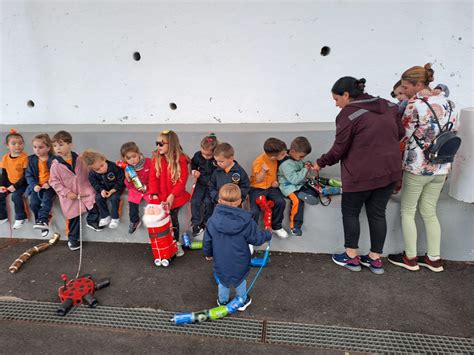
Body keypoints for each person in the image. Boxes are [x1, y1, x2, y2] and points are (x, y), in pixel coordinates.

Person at [314, 77, 404, 274]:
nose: (336, 104)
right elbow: (400, 132)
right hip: (389, 172)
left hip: (360, 174)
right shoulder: (388, 106)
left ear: (347, 95)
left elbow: (339, 149)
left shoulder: (349, 114)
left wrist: (320, 163)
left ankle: (351, 257)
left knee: (351, 212)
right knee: (378, 213)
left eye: (336, 99)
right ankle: (375, 259)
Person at [388, 64, 457, 273]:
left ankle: (410, 258)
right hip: (442, 166)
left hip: (417, 166)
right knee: (429, 211)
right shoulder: (449, 102)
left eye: (406, 87)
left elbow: (404, 134)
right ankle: (434, 259)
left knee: (408, 210)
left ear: (418, 84)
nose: (405, 91)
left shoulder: (414, 104)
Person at [203, 183, 272, 310]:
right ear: (239, 201)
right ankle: (242, 301)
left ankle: (223, 302)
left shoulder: (213, 220)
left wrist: (208, 254)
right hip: (240, 259)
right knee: (240, 280)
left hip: (220, 258)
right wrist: (267, 235)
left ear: (219, 200)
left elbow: (207, 240)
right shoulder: (247, 221)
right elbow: (256, 239)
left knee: (223, 281)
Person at [49, 131, 102, 251]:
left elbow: (90, 170)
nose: (58, 148)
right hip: (69, 195)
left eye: (61, 145)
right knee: (73, 217)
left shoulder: (80, 158)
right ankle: (73, 239)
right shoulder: (56, 165)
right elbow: (54, 182)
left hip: (84, 188)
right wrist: (67, 193)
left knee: (94, 199)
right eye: (55, 146)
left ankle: (92, 220)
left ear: (70, 145)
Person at [149, 130, 190, 257]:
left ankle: (176, 242)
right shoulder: (156, 159)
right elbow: (152, 178)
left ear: (171, 144)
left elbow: (182, 180)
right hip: (160, 196)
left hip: (175, 197)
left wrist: (172, 195)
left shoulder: (181, 160)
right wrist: (154, 194)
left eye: (161, 144)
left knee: (173, 218)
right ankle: (163, 241)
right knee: (161, 219)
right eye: (157, 143)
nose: (158, 147)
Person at [278, 136, 318, 237]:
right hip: (289, 187)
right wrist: (305, 169)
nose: (302, 159)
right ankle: (295, 226)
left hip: (298, 185)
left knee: (312, 188)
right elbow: (294, 179)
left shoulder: (295, 157)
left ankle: (310, 194)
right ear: (292, 151)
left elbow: (300, 165)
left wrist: (306, 164)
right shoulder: (286, 164)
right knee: (297, 201)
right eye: (301, 157)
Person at [250, 138, 289, 238]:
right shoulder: (258, 162)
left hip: (271, 187)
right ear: (272, 157)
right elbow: (258, 180)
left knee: (281, 202)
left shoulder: (275, 159)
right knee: (254, 211)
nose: (286, 155)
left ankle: (276, 226)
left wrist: (275, 181)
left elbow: (274, 172)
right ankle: (252, 233)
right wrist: (263, 171)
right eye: (283, 154)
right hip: (257, 188)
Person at [82, 149, 124, 229]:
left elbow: (121, 179)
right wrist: (101, 190)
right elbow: (95, 183)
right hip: (103, 189)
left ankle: (115, 218)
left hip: (116, 188)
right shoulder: (92, 173)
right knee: (98, 198)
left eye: (102, 165)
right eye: (97, 169)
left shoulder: (114, 166)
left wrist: (114, 189)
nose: (101, 169)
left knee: (114, 198)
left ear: (104, 159)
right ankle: (105, 216)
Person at [25, 133, 56, 238]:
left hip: (49, 187)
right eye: (35, 147)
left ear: (48, 148)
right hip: (37, 186)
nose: (37, 150)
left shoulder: (54, 160)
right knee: (33, 203)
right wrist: (33, 185)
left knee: (46, 201)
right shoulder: (31, 159)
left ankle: (43, 220)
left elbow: (57, 175)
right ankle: (42, 223)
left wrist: (49, 183)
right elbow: (28, 175)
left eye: (40, 147)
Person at [120, 142, 152, 234]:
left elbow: (154, 177)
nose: (132, 160)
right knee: (132, 203)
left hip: (149, 188)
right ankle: (134, 221)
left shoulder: (149, 162)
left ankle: (153, 221)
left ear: (139, 154)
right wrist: (128, 179)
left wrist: (147, 187)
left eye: (134, 156)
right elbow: (129, 186)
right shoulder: (128, 168)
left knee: (153, 202)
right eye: (128, 158)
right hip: (136, 190)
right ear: (125, 159)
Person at [190, 133, 218, 237]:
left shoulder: (217, 159)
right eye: (203, 154)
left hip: (212, 185)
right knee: (195, 201)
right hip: (200, 183)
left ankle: (207, 222)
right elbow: (193, 164)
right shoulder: (198, 155)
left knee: (208, 202)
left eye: (208, 155)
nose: (205, 157)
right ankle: (196, 223)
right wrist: (194, 171)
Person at [0, 130, 29, 229]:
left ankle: (21, 217)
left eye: (20, 143)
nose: (18, 146)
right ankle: (2, 216)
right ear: (7, 145)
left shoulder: (25, 157)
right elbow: (4, 174)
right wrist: (3, 186)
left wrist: (15, 186)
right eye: (14, 143)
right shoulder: (5, 158)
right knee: (0, 193)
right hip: (10, 182)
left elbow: (26, 176)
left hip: (22, 183)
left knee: (16, 196)